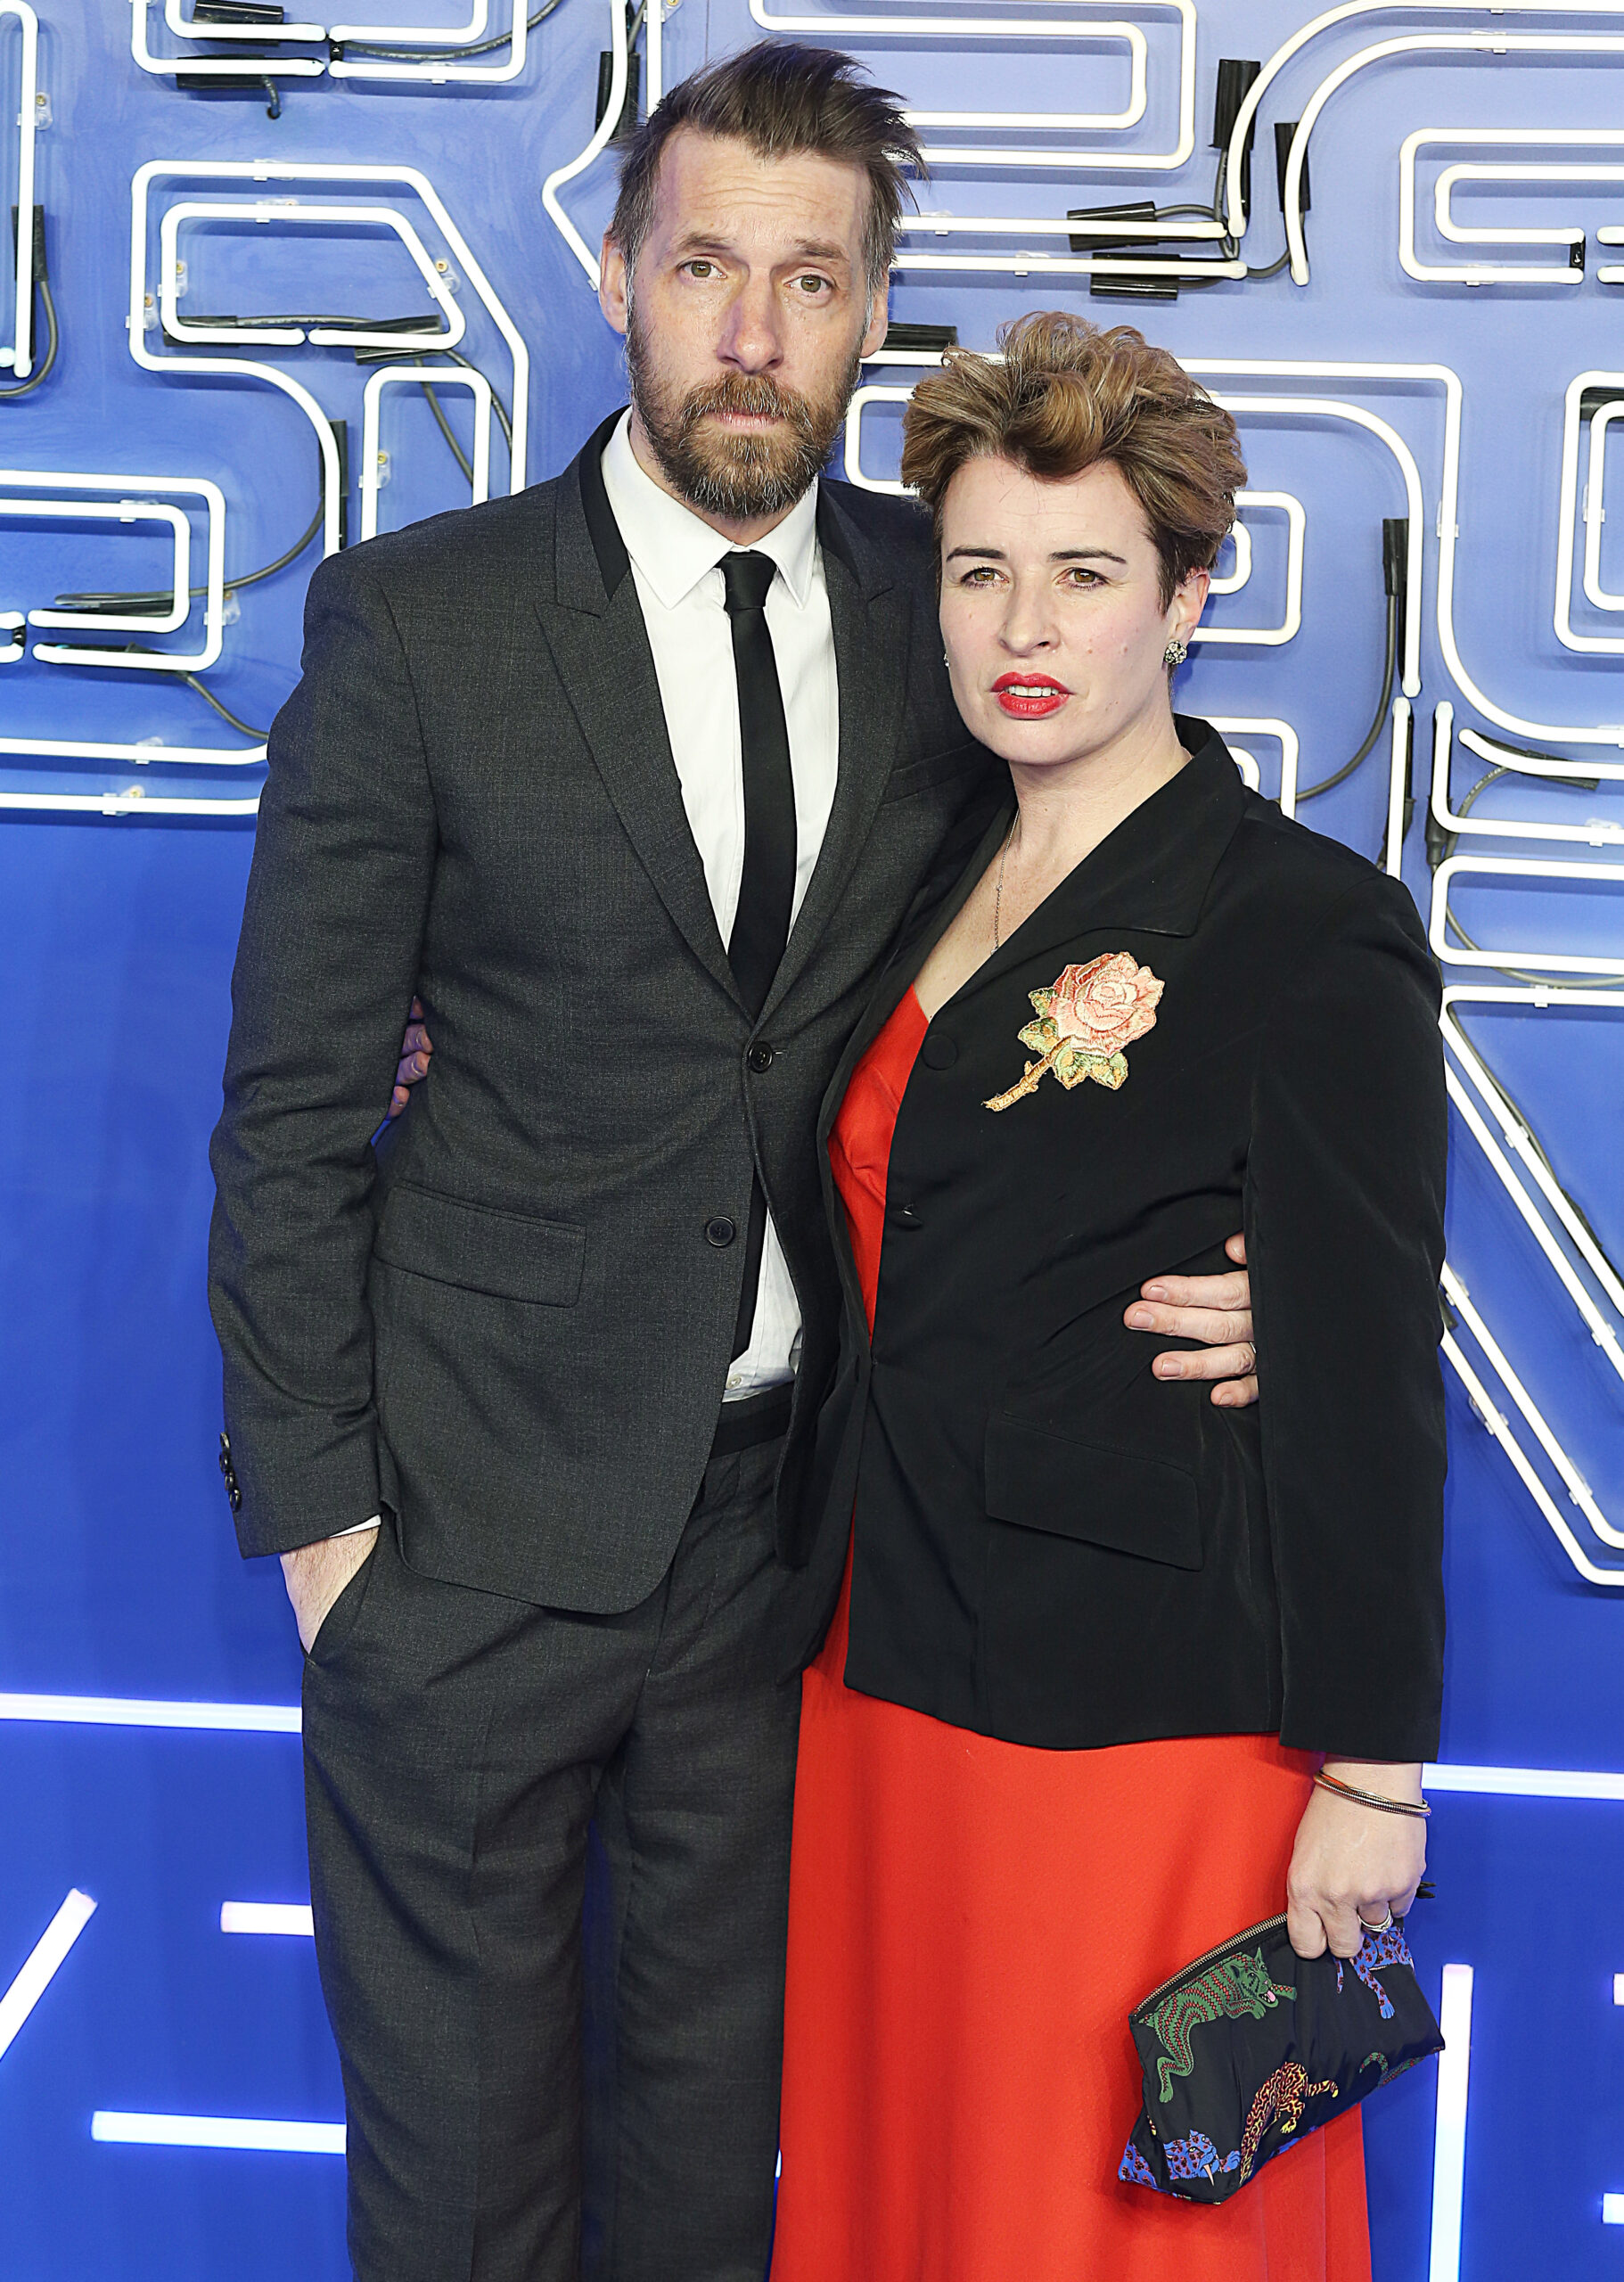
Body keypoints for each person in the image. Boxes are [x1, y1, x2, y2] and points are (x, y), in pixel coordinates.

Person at [208, 49, 1259, 2282]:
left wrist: (1259, 1237)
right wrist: (329, 1543)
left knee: (709, 2196)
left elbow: (1160, 881)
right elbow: (291, 1112)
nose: (753, 333)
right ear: (617, 278)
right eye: (704, 268)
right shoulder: (421, 623)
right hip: (460, 1540)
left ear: (871, 310)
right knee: (463, 2205)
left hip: (788, 1554)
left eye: (811, 278)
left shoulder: (947, 601)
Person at [769, 312, 1448, 2282]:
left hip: (1132, 1716)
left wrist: (1372, 1771)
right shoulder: (908, 872)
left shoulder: (1299, 925)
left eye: (1083, 573)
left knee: (1097, 2225)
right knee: (904, 2192)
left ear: (1187, 593)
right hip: (872, 1668)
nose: (1020, 625)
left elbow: (1367, 1381)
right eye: (977, 570)